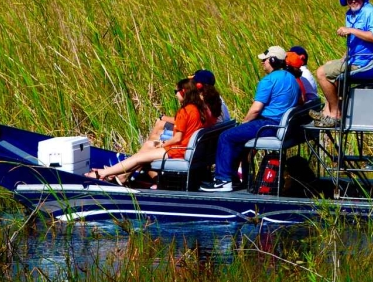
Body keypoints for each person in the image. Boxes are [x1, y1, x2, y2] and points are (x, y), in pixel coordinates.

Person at [203, 47, 303, 192]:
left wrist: (244, 123)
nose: (262, 62)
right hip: (283, 125)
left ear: (273, 61)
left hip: (269, 124)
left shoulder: (268, 81)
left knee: (226, 136)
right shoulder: (291, 79)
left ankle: (222, 180)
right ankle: (234, 178)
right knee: (237, 138)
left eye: (265, 60)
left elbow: (256, 109)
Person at [90, 78, 211, 185]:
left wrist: (162, 144)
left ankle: (103, 173)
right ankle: (121, 176)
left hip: (178, 151)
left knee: (139, 158)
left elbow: (178, 138)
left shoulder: (184, 112)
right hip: (187, 149)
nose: (175, 95)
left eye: (176, 92)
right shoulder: (199, 109)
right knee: (147, 147)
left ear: (183, 93)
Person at [312, 0, 373, 126]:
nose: (353, 1)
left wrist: (351, 30)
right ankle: (326, 111)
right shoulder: (350, 14)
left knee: (321, 73)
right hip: (356, 59)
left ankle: (335, 115)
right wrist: (344, 57)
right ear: (345, 1)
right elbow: (355, 42)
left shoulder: (371, 13)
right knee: (330, 67)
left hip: (368, 63)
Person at [147, 67, 228, 147]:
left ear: (198, 85)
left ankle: (145, 155)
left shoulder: (199, 102)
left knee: (156, 134)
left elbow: (185, 121)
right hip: (208, 136)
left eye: (192, 82)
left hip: (198, 141)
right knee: (160, 124)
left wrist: (163, 117)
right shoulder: (216, 99)